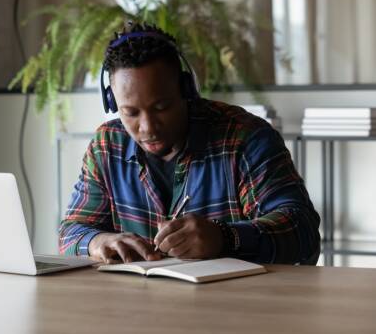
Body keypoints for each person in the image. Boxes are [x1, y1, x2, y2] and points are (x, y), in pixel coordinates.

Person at [59, 22, 320, 265]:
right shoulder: (107, 146)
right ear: (112, 103)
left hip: (236, 306)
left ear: (186, 89)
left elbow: (302, 230)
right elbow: (70, 233)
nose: (148, 127)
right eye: (131, 113)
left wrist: (225, 238)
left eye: (162, 107)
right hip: (138, 308)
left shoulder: (245, 138)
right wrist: (97, 241)